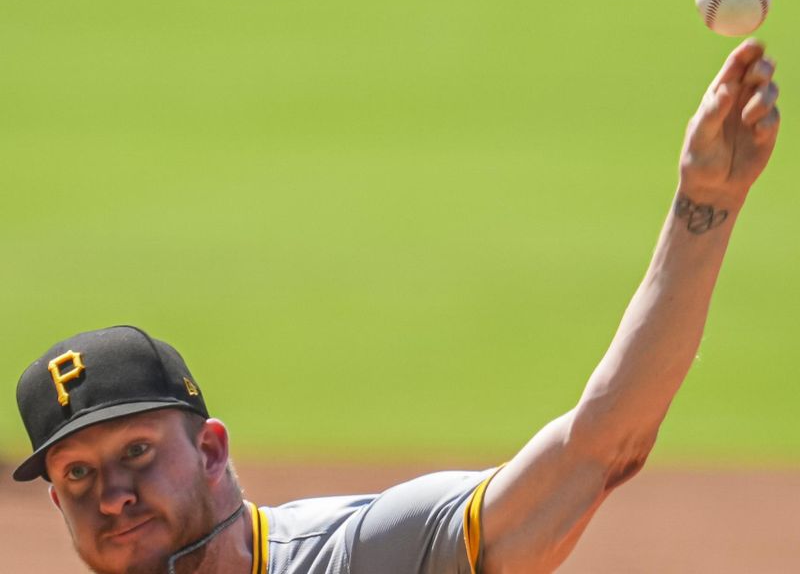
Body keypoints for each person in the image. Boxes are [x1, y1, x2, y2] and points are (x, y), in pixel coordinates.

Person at [13, 38, 780, 574]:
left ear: (210, 450)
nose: (112, 496)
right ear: (56, 502)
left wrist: (704, 204)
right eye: (78, 475)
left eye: (138, 453)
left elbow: (599, 445)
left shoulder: (365, 555)